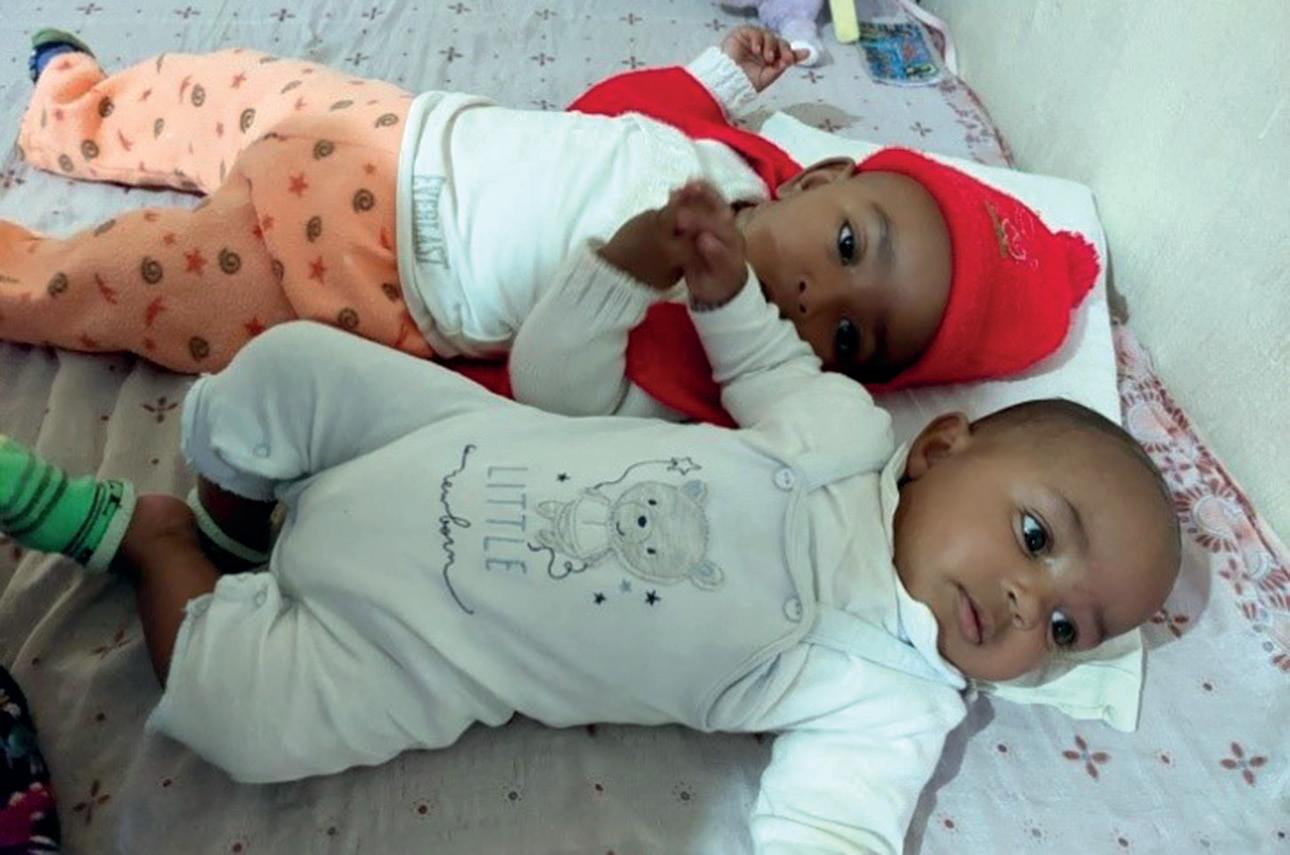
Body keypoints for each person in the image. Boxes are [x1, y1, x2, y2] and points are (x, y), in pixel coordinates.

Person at [0, 183, 1178, 853]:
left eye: (1065, 630)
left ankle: (161, 545)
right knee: (289, 369)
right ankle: (234, 519)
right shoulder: (846, 436)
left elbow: (837, 826)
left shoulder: (899, 697)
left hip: (433, 650)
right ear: (942, 446)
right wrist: (719, 284)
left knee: (238, 717)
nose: (1027, 602)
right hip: (445, 439)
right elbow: (765, 360)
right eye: (1037, 538)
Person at [0, 26, 1097, 426]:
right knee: (217, 89)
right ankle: (72, 108)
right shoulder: (732, 163)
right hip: (390, 129)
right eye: (850, 246)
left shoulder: (708, 368)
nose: (823, 297)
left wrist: (622, 274)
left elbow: (555, 391)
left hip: (357, 275)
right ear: (821, 179)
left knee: (126, 283)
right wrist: (725, 76)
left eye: (851, 337)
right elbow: (633, 115)